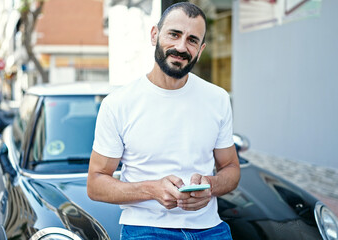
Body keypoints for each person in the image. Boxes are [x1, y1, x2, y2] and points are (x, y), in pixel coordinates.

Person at [87, 2, 240, 239]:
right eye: (174, 34)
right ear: (154, 35)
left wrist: (210, 186)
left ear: (201, 49)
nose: (181, 46)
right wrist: (152, 189)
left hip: (210, 229)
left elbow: (231, 168)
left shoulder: (218, 99)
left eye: (192, 40)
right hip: (145, 229)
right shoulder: (118, 103)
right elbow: (95, 184)